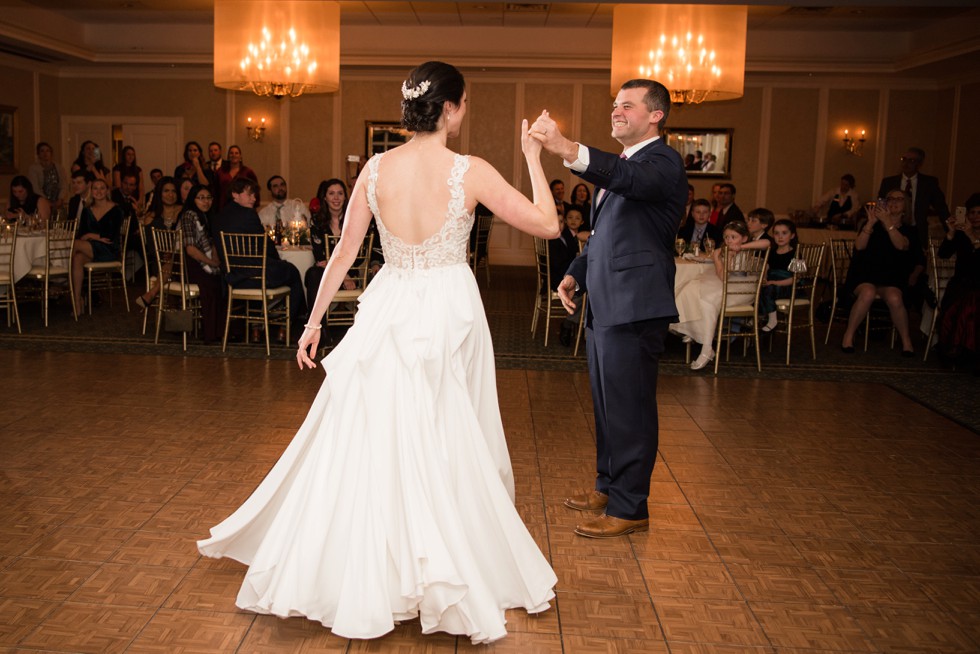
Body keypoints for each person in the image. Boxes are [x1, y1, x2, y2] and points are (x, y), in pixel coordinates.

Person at [198, 61, 559, 644]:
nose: (463, 112)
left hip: (389, 301)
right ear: (449, 109)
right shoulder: (470, 171)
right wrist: (534, 159)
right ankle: (436, 566)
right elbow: (546, 223)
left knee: (378, 430)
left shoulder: (374, 168)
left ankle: (379, 565)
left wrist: (313, 321)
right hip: (446, 306)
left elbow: (342, 254)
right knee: (444, 431)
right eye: (463, 103)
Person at [530, 78, 688, 538]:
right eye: (615, 105)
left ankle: (631, 506)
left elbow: (630, 181)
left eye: (628, 106)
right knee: (607, 404)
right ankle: (608, 485)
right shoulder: (620, 167)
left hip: (636, 304)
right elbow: (603, 235)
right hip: (605, 301)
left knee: (631, 408)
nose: (616, 111)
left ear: (655, 115)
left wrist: (566, 147)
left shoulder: (661, 162)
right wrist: (575, 272)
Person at [210, 177, 305, 337]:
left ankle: (257, 326)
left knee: (279, 271)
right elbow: (265, 245)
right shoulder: (248, 215)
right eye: (250, 194)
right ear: (235, 194)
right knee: (293, 273)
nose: (254, 198)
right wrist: (278, 262)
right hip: (255, 276)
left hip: (232, 277)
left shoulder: (218, 218)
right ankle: (284, 326)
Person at [841, 189, 918, 356]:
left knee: (895, 297)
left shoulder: (910, 230)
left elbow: (901, 245)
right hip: (865, 276)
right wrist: (870, 223)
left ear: (906, 206)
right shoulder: (871, 223)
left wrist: (888, 223)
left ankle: (906, 340)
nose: (894, 202)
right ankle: (848, 336)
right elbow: (859, 246)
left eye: (899, 199)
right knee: (868, 292)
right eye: (890, 199)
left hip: (891, 279)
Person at [937, 193, 980, 370]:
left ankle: (968, 353)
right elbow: (943, 254)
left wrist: (973, 237)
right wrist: (952, 233)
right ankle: (957, 351)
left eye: (979, 213)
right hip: (961, 284)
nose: (975, 217)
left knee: (972, 303)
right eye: (971, 213)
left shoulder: (969, 235)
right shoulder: (961, 235)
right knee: (961, 302)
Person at [877, 147, 949, 249]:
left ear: (919, 164)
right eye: (904, 159)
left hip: (918, 230)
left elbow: (941, 208)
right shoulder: (888, 182)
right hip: (892, 228)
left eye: (911, 160)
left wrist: (951, 230)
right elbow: (881, 205)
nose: (906, 163)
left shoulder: (929, 183)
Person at [305, 178, 357, 318]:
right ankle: (319, 329)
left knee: (315, 274)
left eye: (340, 193)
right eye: (331, 193)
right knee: (313, 273)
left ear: (345, 197)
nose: (336, 198)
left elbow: (357, 256)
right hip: (329, 276)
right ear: (325, 198)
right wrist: (343, 276)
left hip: (351, 276)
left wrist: (346, 275)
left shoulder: (354, 221)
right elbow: (320, 259)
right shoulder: (317, 222)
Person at [180, 185, 225, 344]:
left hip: (204, 262)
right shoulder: (188, 216)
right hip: (191, 264)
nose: (205, 201)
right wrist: (211, 262)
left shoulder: (208, 217)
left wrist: (214, 260)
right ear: (193, 199)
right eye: (201, 198)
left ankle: (220, 331)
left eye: (208, 198)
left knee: (222, 282)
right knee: (211, 285)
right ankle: (211, 333)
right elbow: (191, 249)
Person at [70, 179, 122, 311]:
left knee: (72, 245)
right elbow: (81, 234)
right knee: (76, 258)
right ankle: (77, 299)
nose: (99, 191)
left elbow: (110, 236)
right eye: (95, 188)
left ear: (107, 191)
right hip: (91, 249)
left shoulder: (115, 209)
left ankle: (61, 277)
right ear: (91, 192)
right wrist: (96, 237)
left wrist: (91, 236)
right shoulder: (87, 210)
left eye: (102, 188)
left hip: (109, 250)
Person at [137, 177, 182, 309]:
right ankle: (174, 310)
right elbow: (151, 247)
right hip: (159, 261)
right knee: (168, 262)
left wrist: (173, 252)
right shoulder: (151, 217)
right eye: (166, 191)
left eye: (173, 191)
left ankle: (152, 294)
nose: (170, 194)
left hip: (182, 260)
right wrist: (166, 253)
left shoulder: (183, 211)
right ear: (159, 193)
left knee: (173, 260)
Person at [759, 218, 799, 333]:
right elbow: (766, 268)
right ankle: (758, 315)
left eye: (784, 233)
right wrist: (764, 278)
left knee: (769, 289)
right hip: (773, 284)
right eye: (776, 233)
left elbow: (796, 279)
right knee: (757, 286)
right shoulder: (771, 252)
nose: (780, 237)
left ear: (792, 236)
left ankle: (772, 320)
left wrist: (774, 282)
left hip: (788, 286)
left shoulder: (795, 253)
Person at [214, 144, 259, 210]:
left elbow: (255, 190)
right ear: (228, 156)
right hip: (224, 207)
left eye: (236, 153)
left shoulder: (248, 172)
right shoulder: (220, 172)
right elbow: (215, 191)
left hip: (243, 207)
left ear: (240, 156)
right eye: (231, 153)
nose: (234, 155)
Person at [27, 142, 67, 211]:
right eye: (42, 151)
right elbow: (35, 188)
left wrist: (60, 199)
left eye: (47, 151)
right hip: (40, 203)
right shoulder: (33, 169)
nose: (45, 153)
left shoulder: (59, 168)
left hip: (58, 203)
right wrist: (46, 201)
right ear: (38, 154)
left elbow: (64, 185)